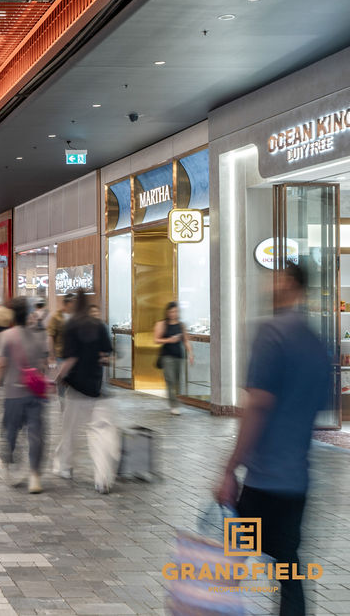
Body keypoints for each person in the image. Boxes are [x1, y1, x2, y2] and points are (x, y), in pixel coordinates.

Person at [215, 263, 329, 616]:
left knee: (232, 561)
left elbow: (258, 407)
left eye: (276, 278)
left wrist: (230, 469)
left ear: (292, 284)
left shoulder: (272, 333)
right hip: (296, 480)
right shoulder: (317, 343)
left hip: (263, 481)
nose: (269, 284)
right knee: (289, 569)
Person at [52, 289, 117, 493]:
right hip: (97, 387)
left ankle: (65, 467)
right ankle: (103, 478)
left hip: (76, 388)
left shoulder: (72, 325)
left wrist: (58, 377)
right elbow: (106, 355)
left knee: (70, 431)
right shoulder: (99, 325)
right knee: (100, 433)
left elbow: (70, 359)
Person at [0, 297, 47, 494]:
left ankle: (7, 464)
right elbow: (44, 364)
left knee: (11, 431)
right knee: (36, 433)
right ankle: (35, 476)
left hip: (13, 393)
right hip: (35, 394)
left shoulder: (6, 336)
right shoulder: (39, 336)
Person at [153, 302, 194, 416]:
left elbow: (186, 340)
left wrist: (190, 353)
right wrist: (169, 340)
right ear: (167, 312)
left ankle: (174, 399)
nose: (173, 314)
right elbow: (156, 339)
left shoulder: (181, 325)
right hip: (167, 356)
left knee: (176, 381)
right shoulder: (162, 324)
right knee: (170, 380)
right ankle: (174, 405)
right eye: (171, 311)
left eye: (175, 311)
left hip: (178, 356)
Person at [46, 293, 75, 371]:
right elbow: (50, 336)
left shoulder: (76, 316)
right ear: (68, 303)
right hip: (61, 355)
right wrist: (51, 355)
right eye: (74, 302)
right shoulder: (56, 317)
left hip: (74, 356)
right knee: (62, 376)